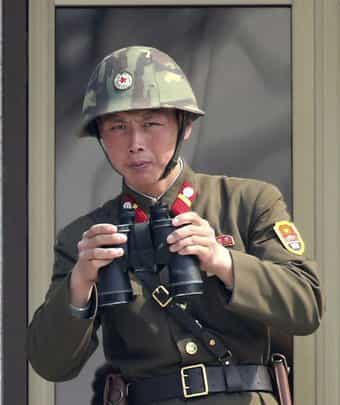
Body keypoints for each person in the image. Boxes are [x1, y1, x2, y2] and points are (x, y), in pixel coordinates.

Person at [27, 45, 323, 404]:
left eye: (151, 124)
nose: (135, 144)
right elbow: (50, 364)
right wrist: (80, 285)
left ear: (185, 126)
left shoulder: (247, 202)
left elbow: (306, 307)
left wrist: (223, 262)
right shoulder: (85, 237)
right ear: (101, 137)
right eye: (118, 128)